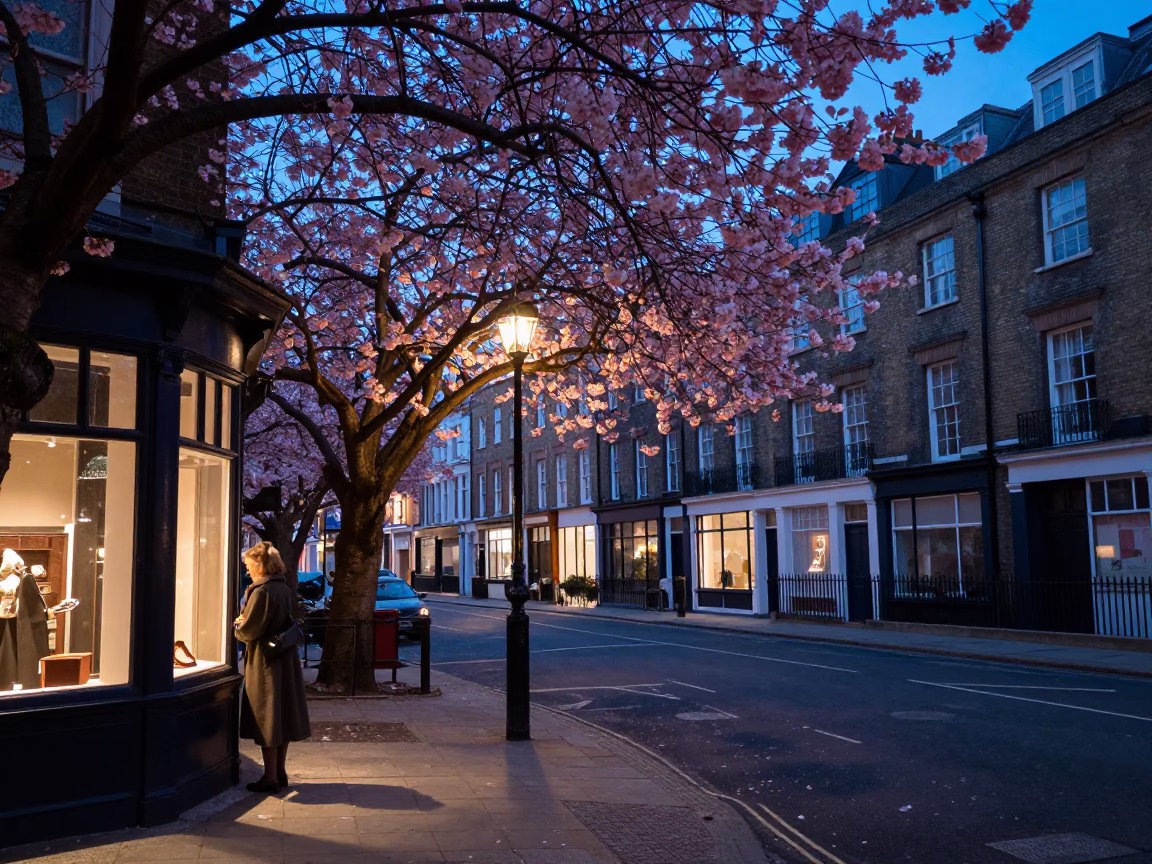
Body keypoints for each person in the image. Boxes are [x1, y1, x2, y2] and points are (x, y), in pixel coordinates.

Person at [234, 541, 311, 793]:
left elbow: (250, 629)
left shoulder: (262, 591)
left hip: (265, 661)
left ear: (259, 563)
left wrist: (238, 625)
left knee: (266, 717)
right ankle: (279, 771)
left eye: (248, 564)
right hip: (284, 658)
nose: (247, 570)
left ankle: (269, 777)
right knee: (282, 716)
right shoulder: (282, 587)